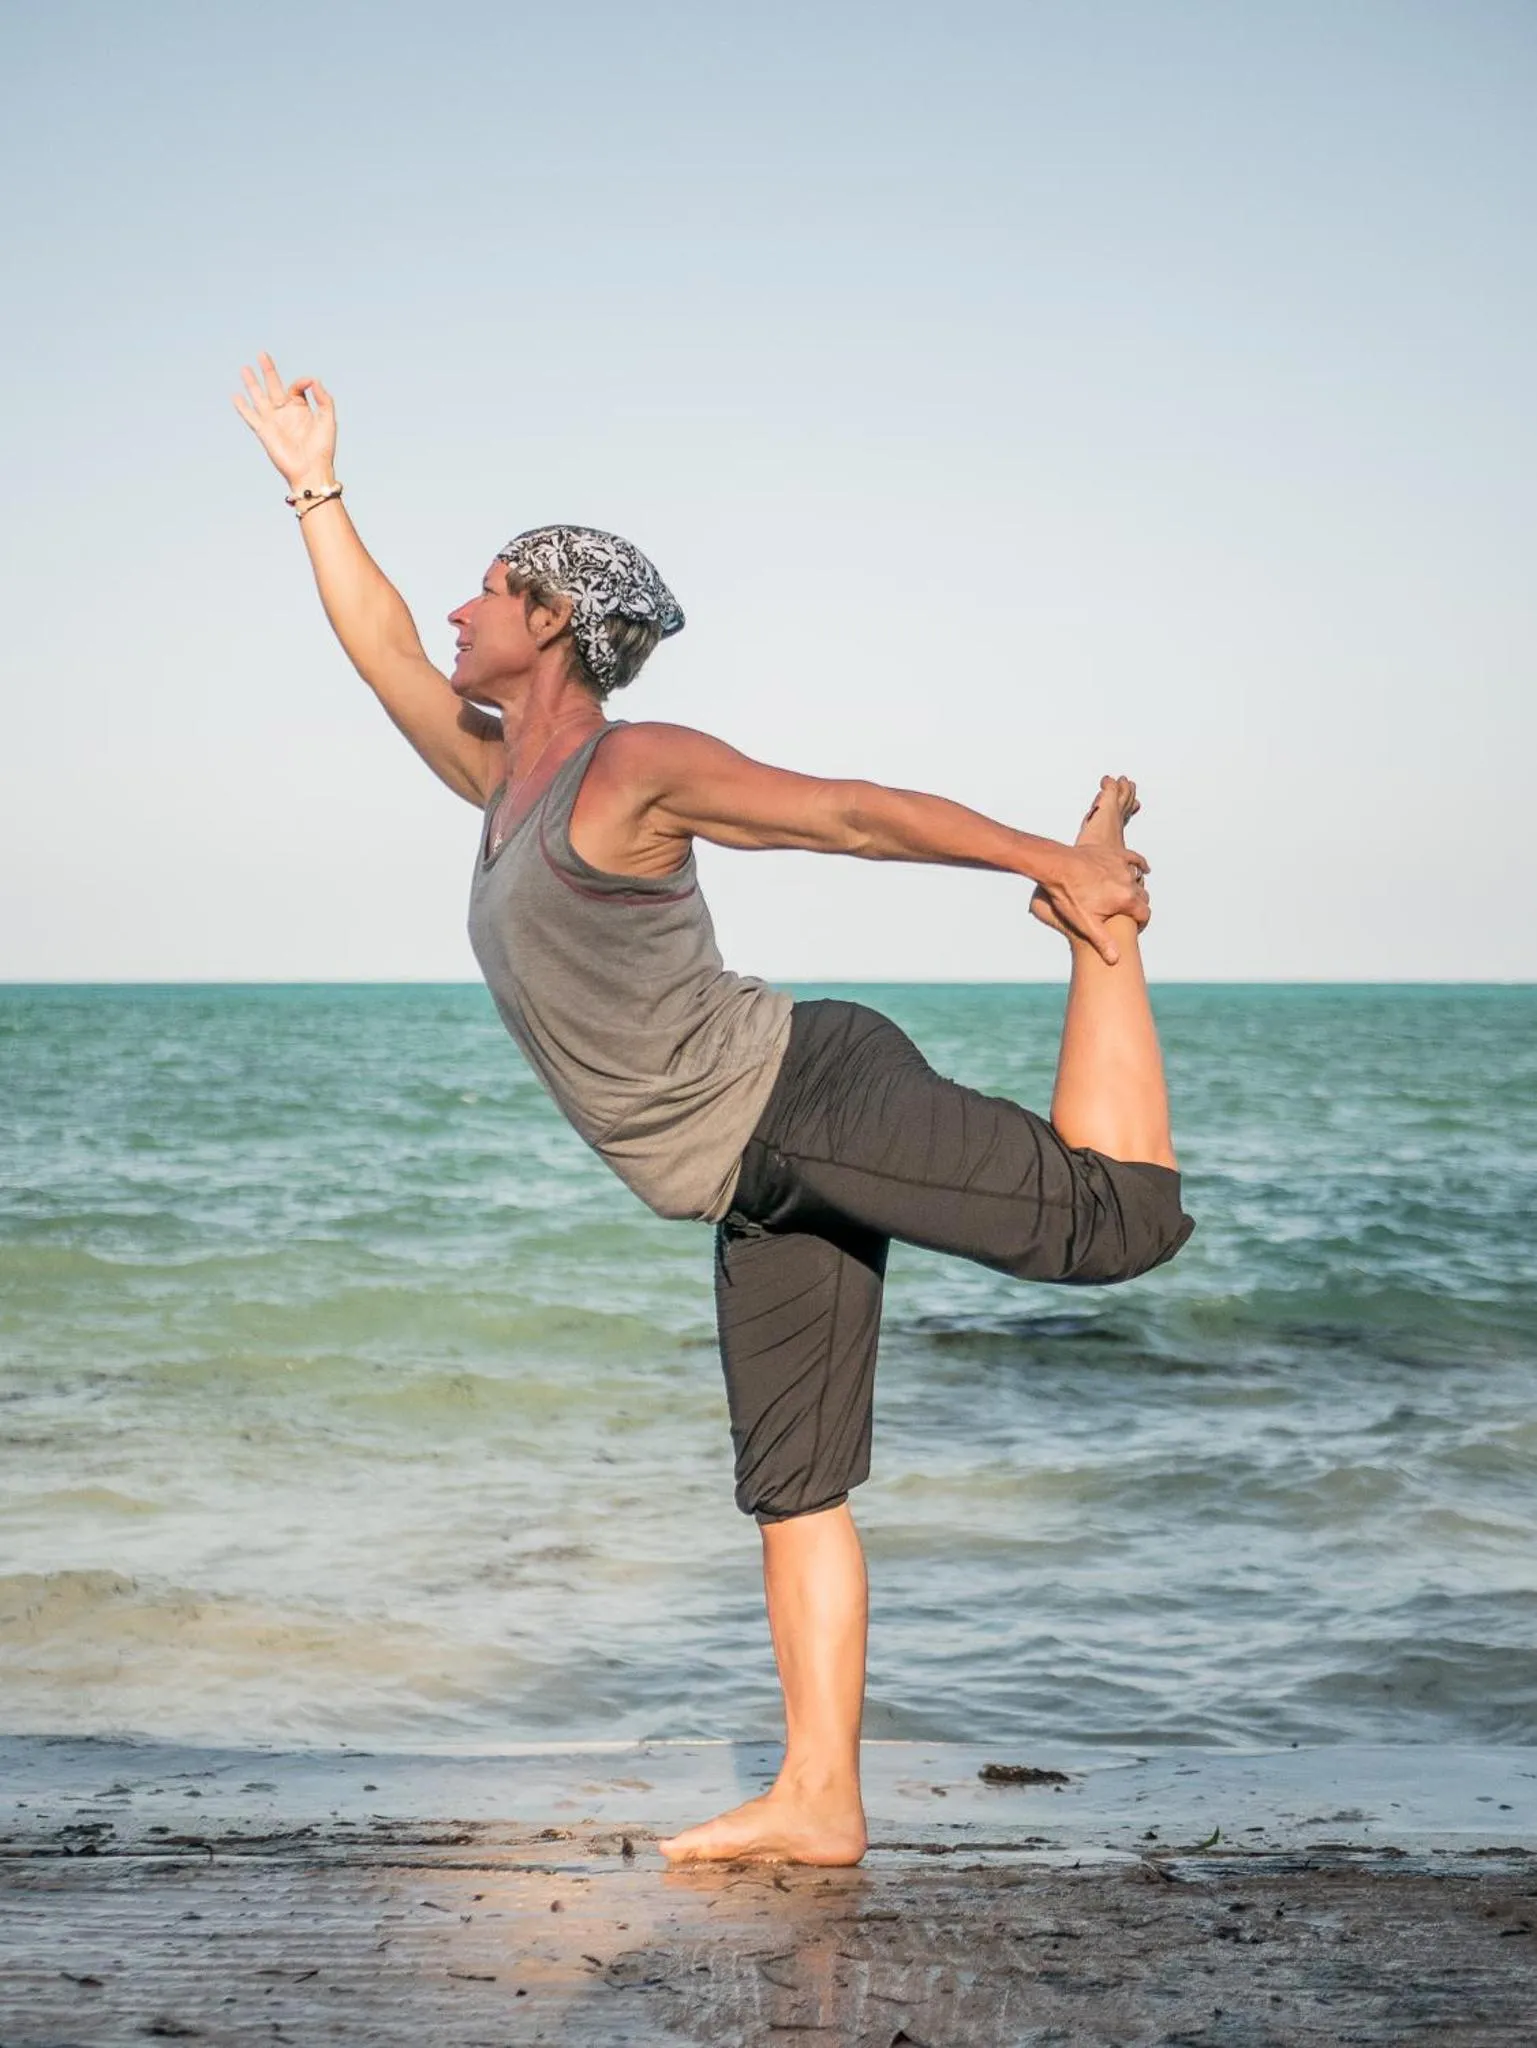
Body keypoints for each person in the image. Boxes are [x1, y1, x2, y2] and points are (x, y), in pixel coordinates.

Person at [234, 352, 1194, 1867]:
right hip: (751, 1177)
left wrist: (1051, 867)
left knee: (1119, 1225)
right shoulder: (500, 784)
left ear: (553, 624)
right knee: (795, 1481)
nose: (459, 611)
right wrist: (313, 484)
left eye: (488, 590)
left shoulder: (632, 769)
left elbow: (850, 812)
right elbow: (378, 651)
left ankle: (1106, 938)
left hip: (807, 1099)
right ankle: (820, 1800)